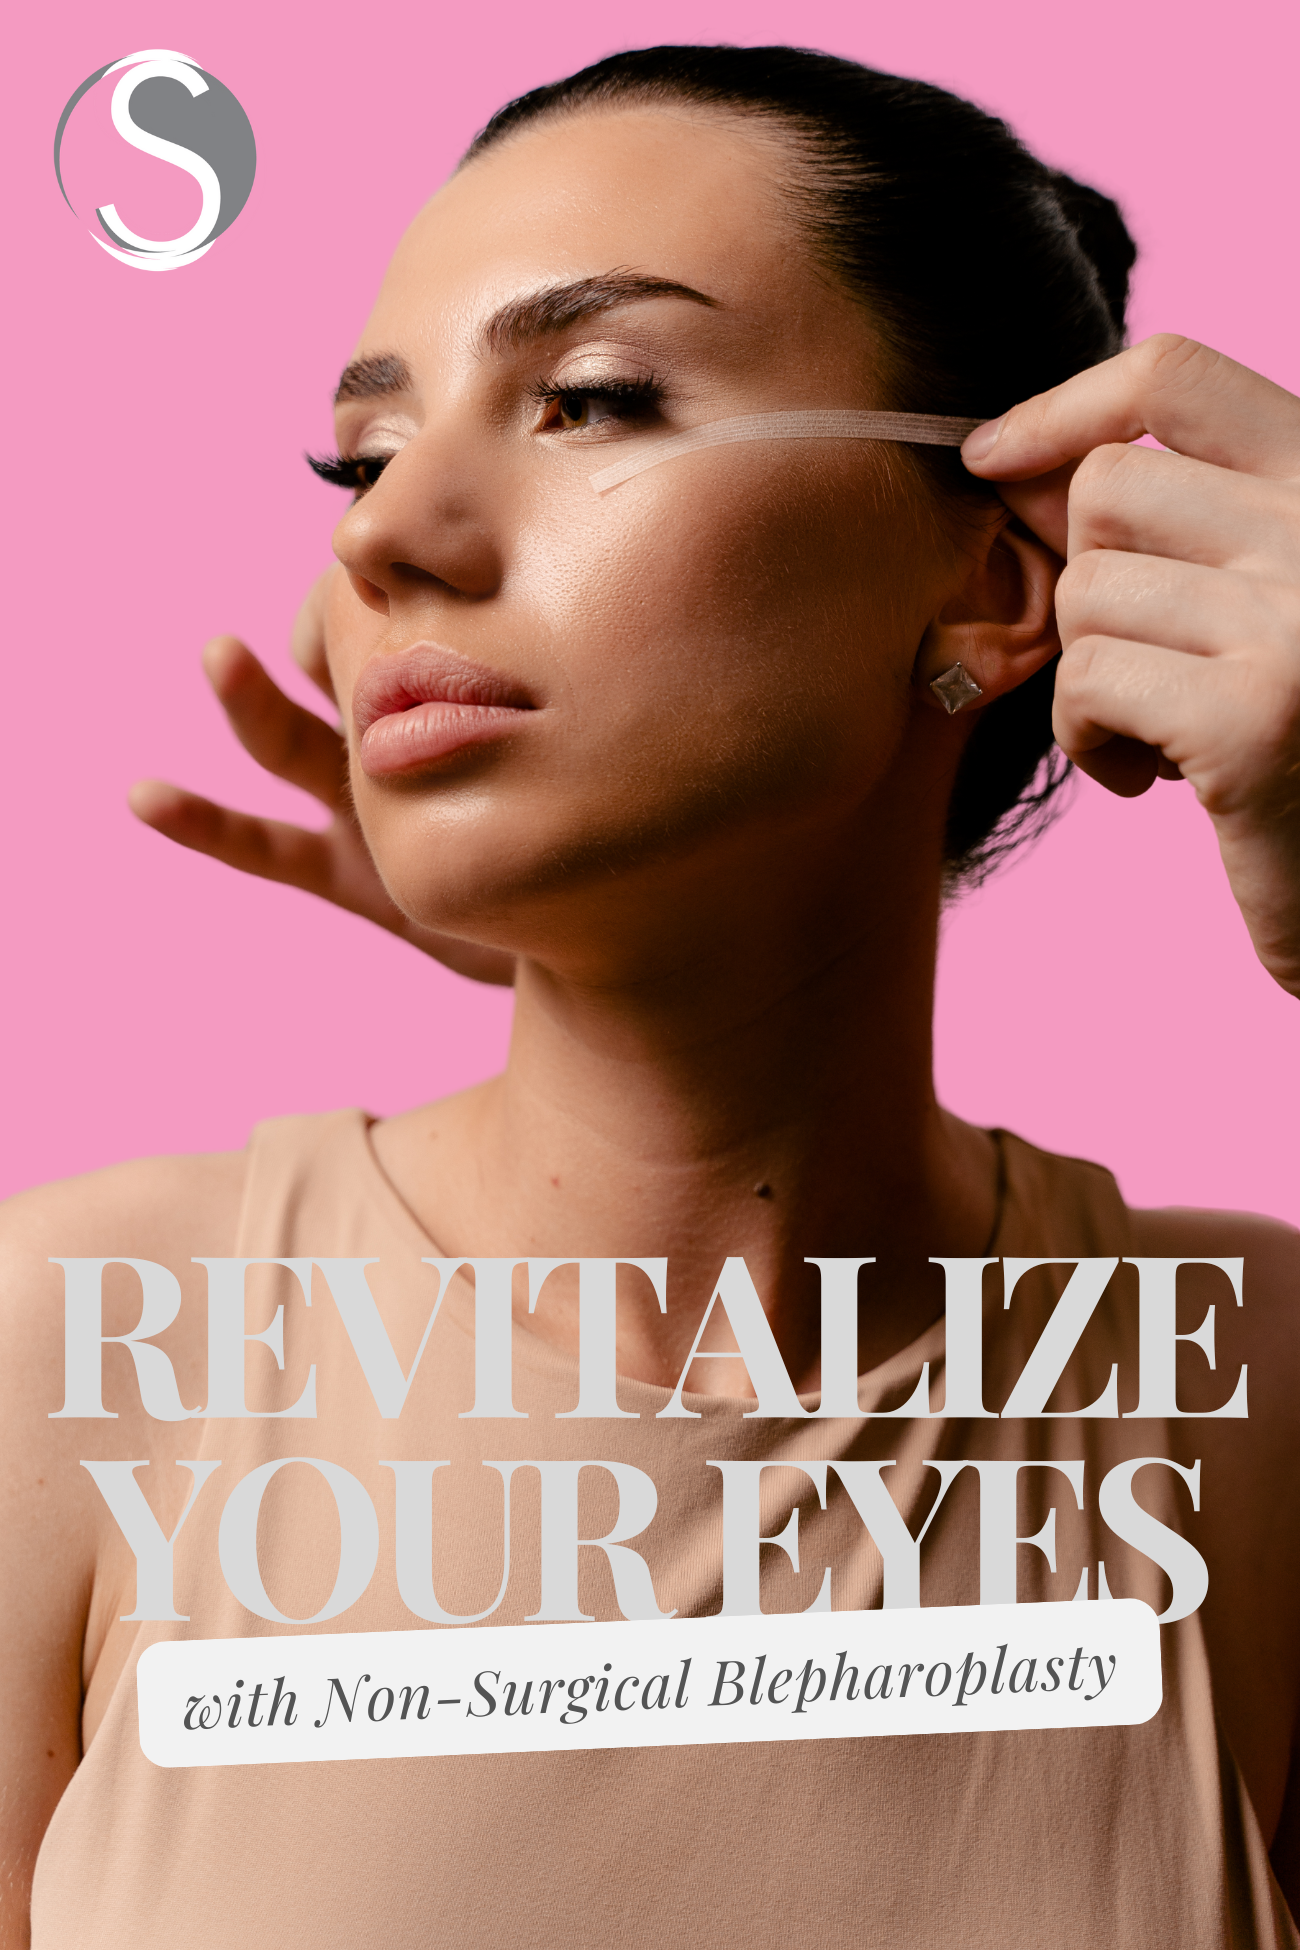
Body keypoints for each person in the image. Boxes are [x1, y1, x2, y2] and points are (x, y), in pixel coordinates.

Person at [5, 42, 1300, 1948]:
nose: (381, 534)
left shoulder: (1237, 1385)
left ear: (1000, 569)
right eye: (362, 455)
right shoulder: (87, 1355)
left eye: (593, 400)